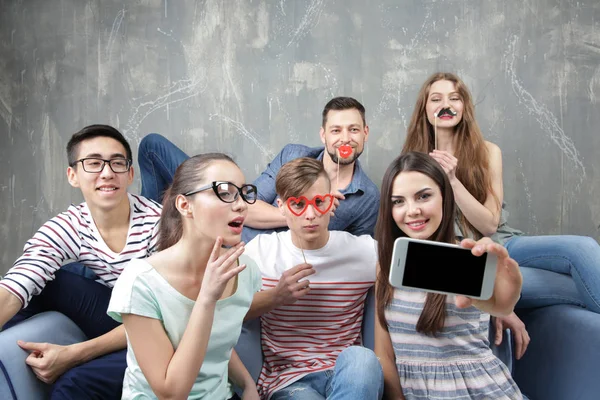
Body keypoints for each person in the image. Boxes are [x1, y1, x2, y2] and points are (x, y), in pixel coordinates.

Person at [403, 71, 600, 355]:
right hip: (466, 259)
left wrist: (453, 180)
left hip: (504, 242)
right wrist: (499, 305)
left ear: (464, 106)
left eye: (454, 98)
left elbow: (489, 223)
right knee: (574, 288)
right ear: (425, 108)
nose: (446, 105)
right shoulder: (412, 162)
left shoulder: (487, 151)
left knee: (582, 248)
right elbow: (419, 232)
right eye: (436, 98)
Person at [0, 124, 161, 398]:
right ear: (73, 175)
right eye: (94, 163)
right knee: (48, 282)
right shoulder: (70, 225)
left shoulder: (159, 224)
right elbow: (17, 284)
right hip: (119, 314)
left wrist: (75, 354)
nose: (107, 173)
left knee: (73, 382)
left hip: (164, 331)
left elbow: (165, 317)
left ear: (130, 174)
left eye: (117, 163)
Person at [107, 153, 262, 399]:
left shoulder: (245, 269)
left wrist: (248, 384)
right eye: (224, 191)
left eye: (244, 192)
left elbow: (215, 343)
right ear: (184, 205)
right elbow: (172, 393)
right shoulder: (140, 282)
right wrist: (206, 298)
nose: (241, 204)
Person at [374, 152, 525, 400]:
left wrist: (505, 302)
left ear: (445, 197)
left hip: (479, 390)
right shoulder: (385, 266)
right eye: (398, 201)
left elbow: (497, 304)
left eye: (424, 196)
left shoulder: (471, 254)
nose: (412, 210)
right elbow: (385, 354)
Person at [137, 96, 380, 244]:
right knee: (152, 146)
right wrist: (302, 207)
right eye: (336, 130)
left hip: (254, 262)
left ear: (365, 133)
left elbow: (349, 256)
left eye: (354, 130)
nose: (345, 139)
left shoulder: (368, 198)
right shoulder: (293, 154)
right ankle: (151, 230)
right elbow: (243, 206)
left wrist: (320, 214)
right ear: (323, 134)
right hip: (225, 225)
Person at [243, 157, 384, 400]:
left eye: (319, 202)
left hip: (346, 371)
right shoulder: (259, 252)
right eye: (298, 204)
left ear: (331, 204)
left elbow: (414, 273)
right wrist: (275, 297)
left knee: (363, 358)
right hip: (288, 380)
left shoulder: (364, 252)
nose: (310, 214)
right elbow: (226, 314)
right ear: (282, 207)